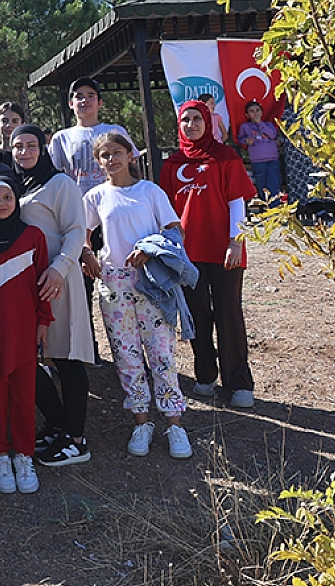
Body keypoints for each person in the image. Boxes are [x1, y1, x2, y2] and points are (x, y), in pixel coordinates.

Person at [83, 132, 193, 460]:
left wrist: (148, 248)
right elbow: (83, 234)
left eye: (117, 152)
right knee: (127, 356)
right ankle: (141, 422)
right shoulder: (95, 197)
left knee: (161, 354)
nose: (111, 159)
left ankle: (174, 423)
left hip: (151, 281)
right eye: (104, 155)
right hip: (113, 283)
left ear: (130, 155)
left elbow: (175, 229)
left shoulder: (150, 192)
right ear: (98, 161)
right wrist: (87, 253)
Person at [8, 125, 97, 468]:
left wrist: (60, 268)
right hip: (29, 282)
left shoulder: (60, 183)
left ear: (43, 149)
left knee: (66, 357)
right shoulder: (18, 186)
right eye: (18, 147)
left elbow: (75, 230)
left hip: (59, 279)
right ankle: (58, 424)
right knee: (32, 358)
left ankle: (76, 439)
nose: (25, 152)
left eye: (32, 146)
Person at [160, 100, 259, 410]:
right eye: (185, 120)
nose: (191, 125)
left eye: (196, 119)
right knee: (196, 313)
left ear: (208, 121)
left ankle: (238, 383)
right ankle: (204, 375)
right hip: (188, 255)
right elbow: (165, 210)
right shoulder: (172, 164)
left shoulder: (226, 157)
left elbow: (237, 203)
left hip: (225, 250)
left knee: (229, 314)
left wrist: (236, 241)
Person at [0, 177, 53, 495]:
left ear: (17, 201)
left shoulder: (34, 236)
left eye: (8, 197)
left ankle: (23, 454)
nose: (1, 203)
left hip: (23, 330)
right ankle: (0, 455)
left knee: (23, 395)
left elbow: (42, 284)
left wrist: (43, 322)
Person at [49, 78, 133, 195]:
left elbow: (132, 165)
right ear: (71, 104)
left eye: (91, 96)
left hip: (115, 198)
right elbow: (53, 175)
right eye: (79, 96)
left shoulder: (116, 131)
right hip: (78, 202)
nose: (85, 100)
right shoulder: (61, 138)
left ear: (99, 103)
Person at [237, 101, 283, 203]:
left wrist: (260, 123)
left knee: (274, 184)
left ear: (262, 113)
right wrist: (246, 140)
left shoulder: (268, 124)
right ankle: (266, 207)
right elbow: (240, 139)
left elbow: (272, 135)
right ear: (247, 115)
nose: (255, 113)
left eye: (257, 110)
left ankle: (274, 209)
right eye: (252, 111)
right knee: (262, 185)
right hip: (258, 160)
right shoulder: (245, 126)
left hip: (272, 159)